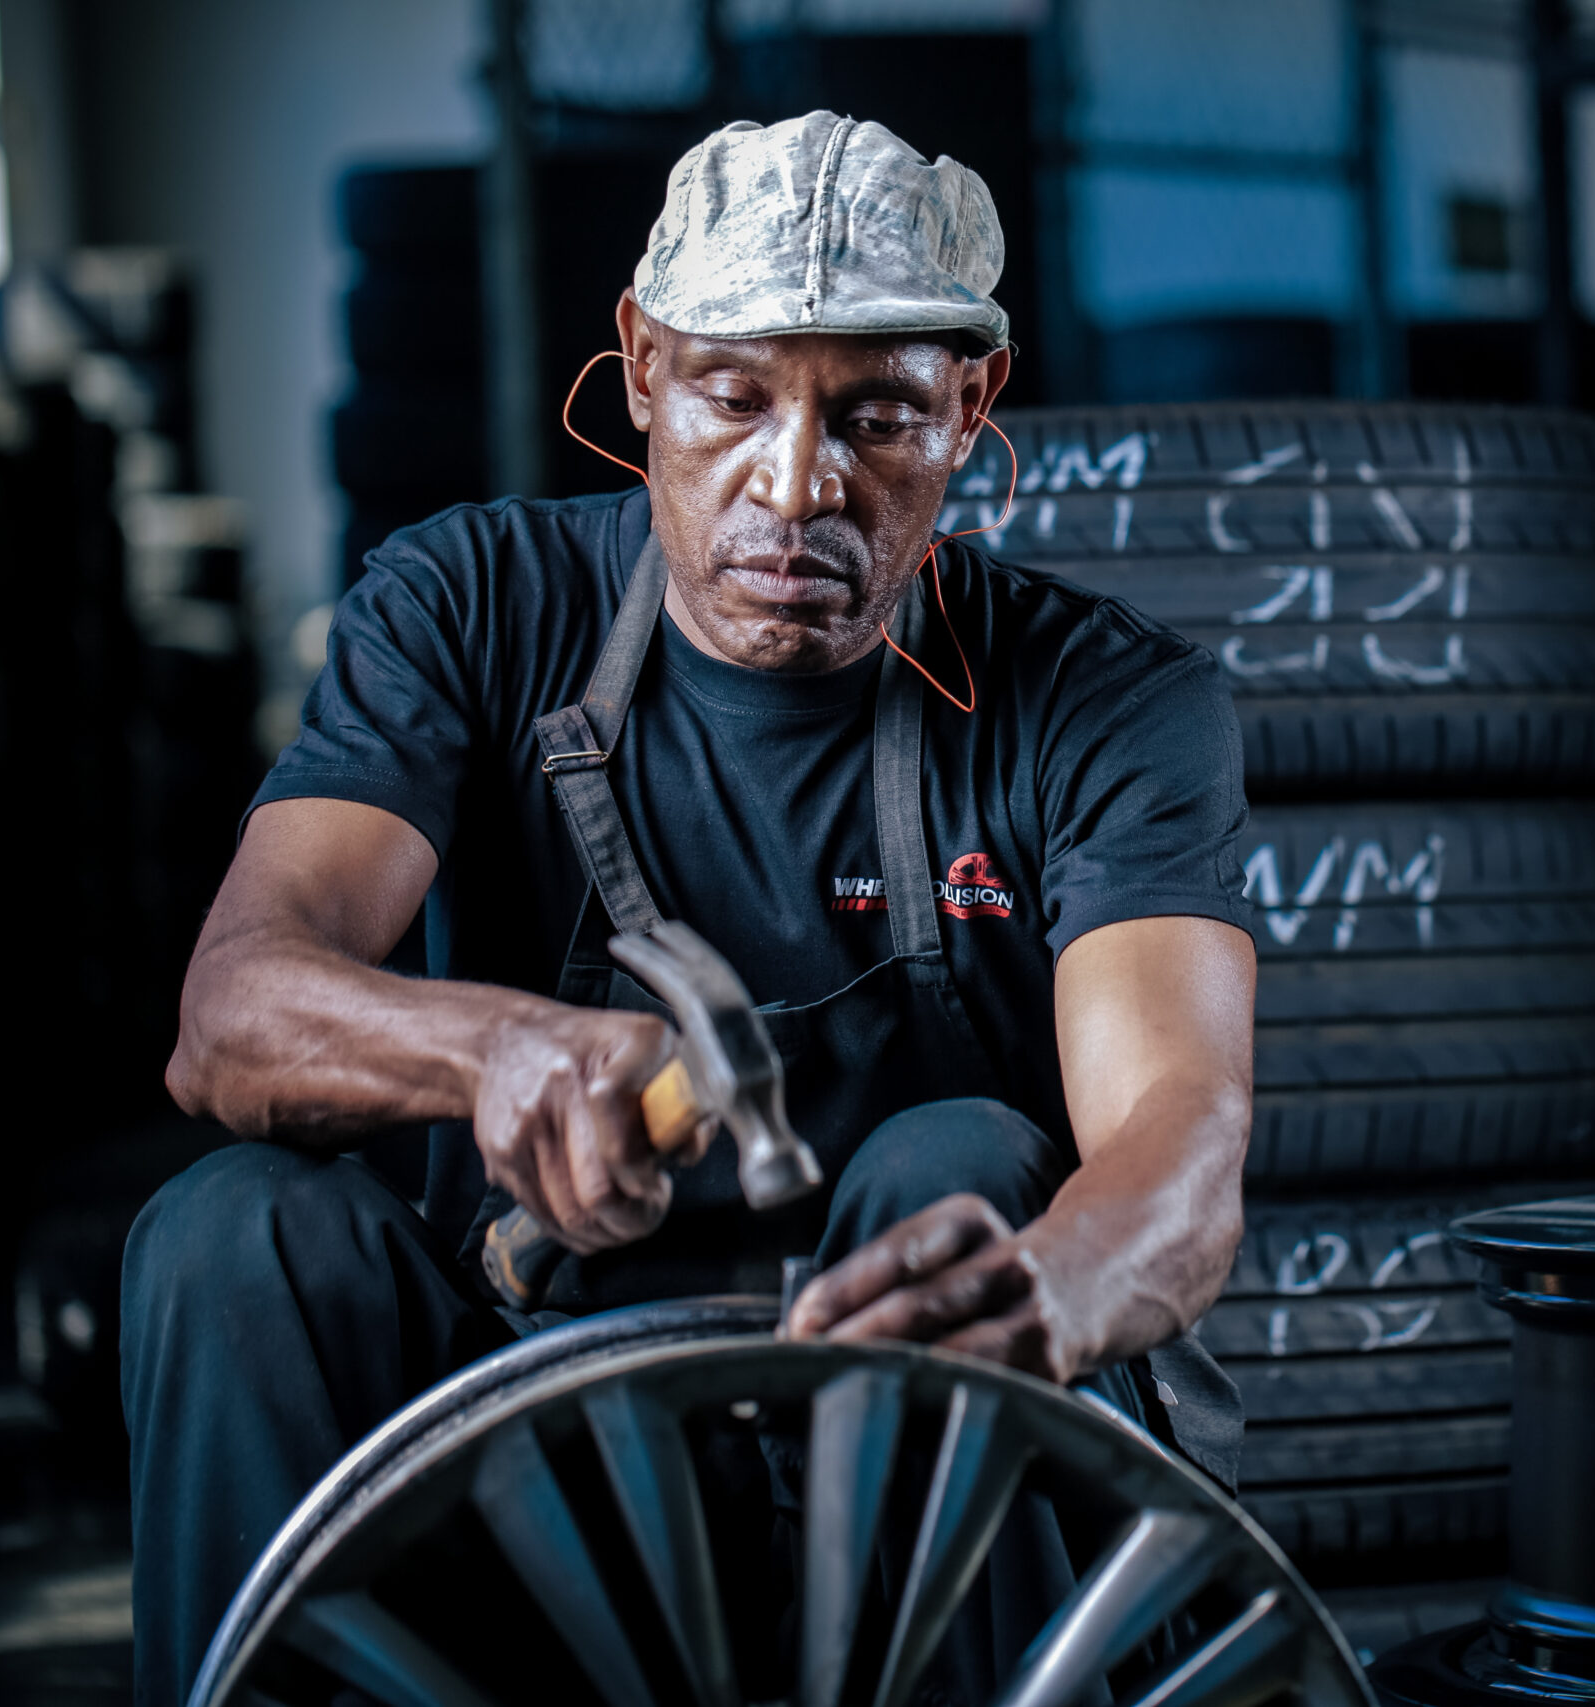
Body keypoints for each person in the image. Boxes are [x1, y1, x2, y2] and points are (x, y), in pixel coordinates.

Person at [122, 112, 1254, 1706]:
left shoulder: (1106, 699)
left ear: (972, 404)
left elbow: (1180, 1149)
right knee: (233, 1234)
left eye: (878, 416)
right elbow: (232, 1012)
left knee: (969, 1166)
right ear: (642, 368)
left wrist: (1056, 1289)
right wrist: (491, 1049)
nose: (798, 485)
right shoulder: (468, 606)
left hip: (942, 1489)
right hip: (535, 1435)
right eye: (734, 398)